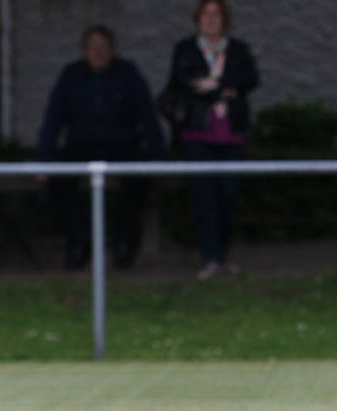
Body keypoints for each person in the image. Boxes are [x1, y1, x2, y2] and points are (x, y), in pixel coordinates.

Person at [37, 25, 166, 271]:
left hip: (122, 145)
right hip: (80, 146)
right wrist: (43, 159)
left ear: (113, 50)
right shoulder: (71, 75)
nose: (98, 52)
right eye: (93, 47)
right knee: (59, 181)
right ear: (84, 51)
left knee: (138, 182)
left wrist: (158, 157)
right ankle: (78, 242)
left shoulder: (129, 74)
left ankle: (124, 245)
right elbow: (53, 119)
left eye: (103, 47)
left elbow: (148, 116)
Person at [160, 0, 259, 279]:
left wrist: (217, 84)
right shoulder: (186, 49)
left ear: (225, 19)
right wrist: (226, 89)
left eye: (217, 14)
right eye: (206, 14)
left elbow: (250, 78)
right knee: (204, 196)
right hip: (198, 133)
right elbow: (185, 82)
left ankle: (223, 255)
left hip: (231, 134)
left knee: (227, 195)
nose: (212, 19)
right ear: (197, 18)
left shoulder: (237, 49)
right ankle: (210, 258)